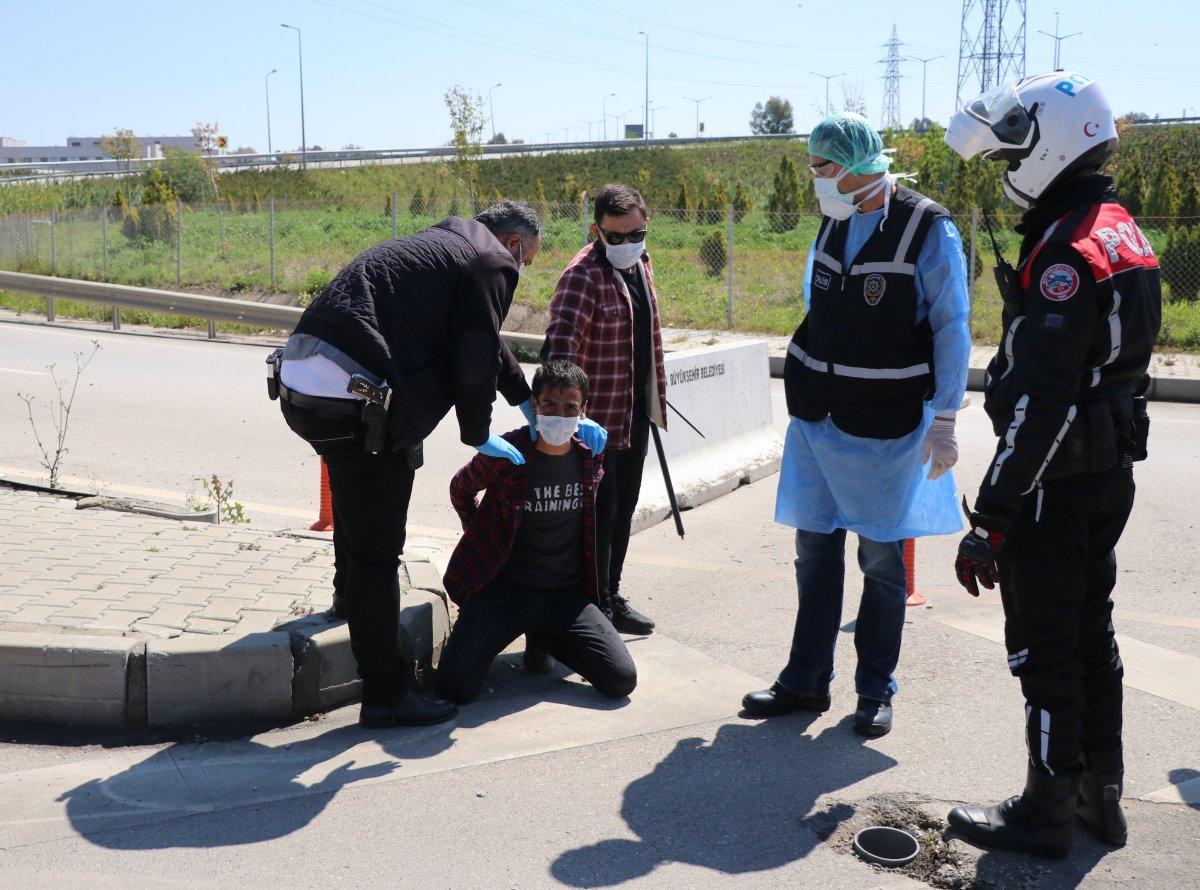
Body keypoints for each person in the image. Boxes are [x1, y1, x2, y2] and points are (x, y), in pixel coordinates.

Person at [270, 201, 608, 729]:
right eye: (528, 260)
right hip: (357, 398)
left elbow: (486, 341)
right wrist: (478, 434)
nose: (521, 269)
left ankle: (348, 599)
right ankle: (386, 695)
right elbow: (473, 359)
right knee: (378, 555)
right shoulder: (492, 261)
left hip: (302, 382)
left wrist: (525, 399)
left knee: (360, 508)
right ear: (514, 243)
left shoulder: (447, 245)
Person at [944, 72, 1160, 857]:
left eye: (1013, 151)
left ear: (1055, 142)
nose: (1006, 165)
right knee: (1091, 634)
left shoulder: (1067, 247)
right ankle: (1102, 798)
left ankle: (1045, 812)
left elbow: (1044, 403)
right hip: (1106, 474)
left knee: (1044, 650)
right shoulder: (1118, 228)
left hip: (1055, 484)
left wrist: (990, 521)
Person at [742, 112, 971, 737]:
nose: (816, 179)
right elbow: (819, 304)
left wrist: (946, 414)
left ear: (858, 165)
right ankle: (805, 679)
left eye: (824, 168)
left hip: (885, 423)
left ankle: (874, 689)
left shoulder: (927, 227)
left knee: (881, 561)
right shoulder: (835, 217)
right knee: (815, 550)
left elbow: (952, 324)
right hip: (819, 415)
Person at [435, 360, 637, 704]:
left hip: (564, 596)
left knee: (621, 679)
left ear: (584, 411)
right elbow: (461, 488)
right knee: (454, 688)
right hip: (504, 591)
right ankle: (510, 630)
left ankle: (543, 635)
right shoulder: (509, 453)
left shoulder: (589, 453)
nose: (560, 415)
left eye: (570, 407)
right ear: (534, 405)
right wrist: (480, 534)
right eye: (550, 405)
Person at [543, 183, 667, 636]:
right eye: (615, 237)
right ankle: (590, 607)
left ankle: (610, 595)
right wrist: (567, 421)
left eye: (636, 234)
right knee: (598, 520)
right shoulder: (583, 275)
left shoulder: (641, 263)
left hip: (634, 415)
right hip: (597, 425)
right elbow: (560, 352)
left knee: (622, 512)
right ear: (597, 231)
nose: (626, 244)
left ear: (646, 225)